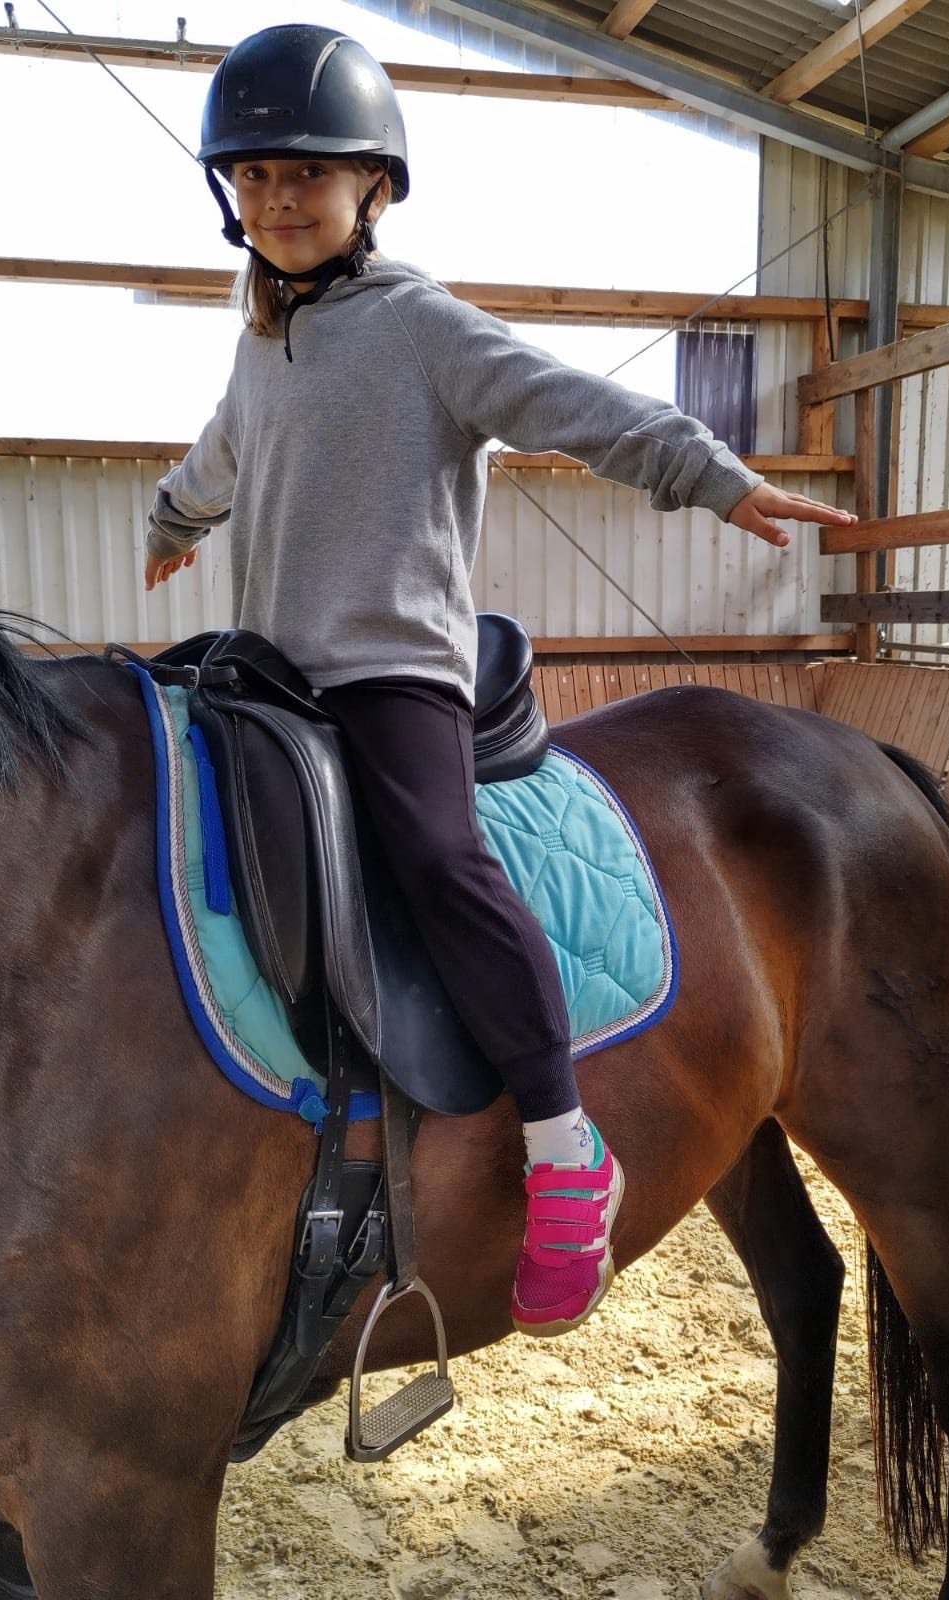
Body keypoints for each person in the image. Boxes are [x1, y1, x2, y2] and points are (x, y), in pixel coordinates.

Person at [143, 23, 856, 1338]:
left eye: (310, 174)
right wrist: (173, 522)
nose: (280, 200)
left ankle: (563, 1136)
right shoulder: (262, 343)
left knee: (436, 857)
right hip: (271, 674)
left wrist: (711, 474)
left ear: (375, 189)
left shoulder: (423, 329)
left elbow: (566, 401)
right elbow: (221, 454)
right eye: (253, 178)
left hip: (392, 672)